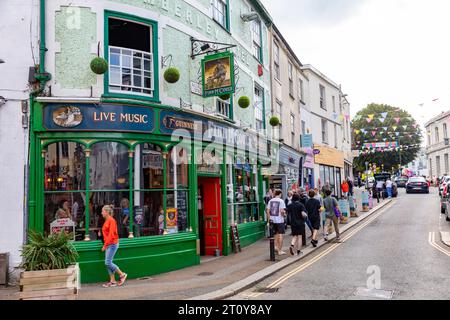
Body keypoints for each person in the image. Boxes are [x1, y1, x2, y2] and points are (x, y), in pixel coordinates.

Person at [101, 205, 127, 288]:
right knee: (108, 263)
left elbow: (111, 235)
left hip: (112, 244)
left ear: (107, 212)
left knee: (107, 262)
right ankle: (112, 281)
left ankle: (122, 274)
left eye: (102, 211)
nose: (101, 213)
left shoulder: (111, 220)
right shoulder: (107, 220)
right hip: (109, 244)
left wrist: (105, 245)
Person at [266, 189, 287, 255]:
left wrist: (269, 220)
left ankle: (275, 247)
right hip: (279, 221)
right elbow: (282, 211)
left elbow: (267, 211)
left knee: (275, 235)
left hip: (272, 221)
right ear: (280, 194)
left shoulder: (270, 201)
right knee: (280, 235)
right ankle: (279, 251)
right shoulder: (281, 201)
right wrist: (284, 215)